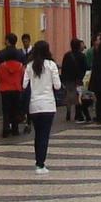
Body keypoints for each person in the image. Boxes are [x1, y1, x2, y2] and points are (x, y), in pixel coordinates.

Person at [25, 40, 63, 172]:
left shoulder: (29, 66)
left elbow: (24, 85)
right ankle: (41, 164)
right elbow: (57, 86)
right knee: (44, 135)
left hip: (34, 105)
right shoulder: (51, 65)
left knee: (37, 134)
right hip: (48, 104)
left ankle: (38, 161)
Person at [0, 37, 29, 136]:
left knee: (6, 110)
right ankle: (15, 129)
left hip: (5, 89)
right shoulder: (20, 66)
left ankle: (5, 129)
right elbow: (23, 76)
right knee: (15, 109)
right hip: (16, 88)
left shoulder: (2, 66)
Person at [62, 38, 91, 122]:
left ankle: (68, 112)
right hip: (78, 79)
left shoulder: (67, 55)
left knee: (69, 95)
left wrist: (63, 79)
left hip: (68, 79)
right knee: (78, 96)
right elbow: (86, 67)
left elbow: (64, 68)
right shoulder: (82, 56)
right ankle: (78, 114)